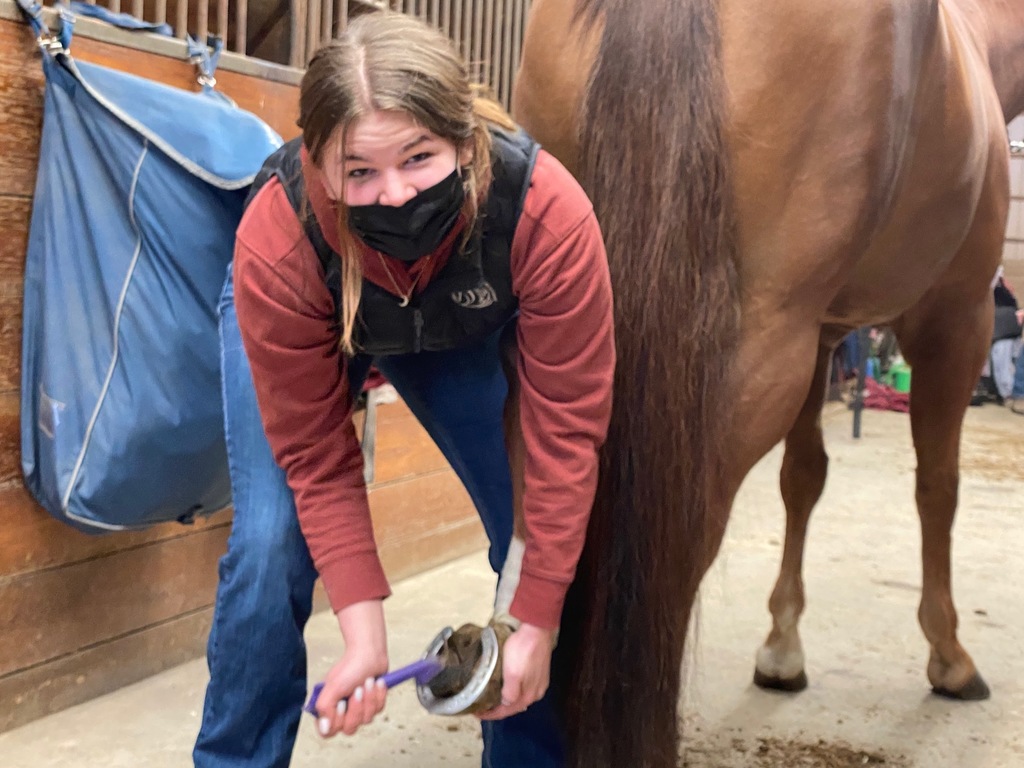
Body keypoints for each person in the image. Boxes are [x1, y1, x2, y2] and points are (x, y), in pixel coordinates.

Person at [192, 10, 614, 768]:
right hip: (321, 301)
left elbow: (565, 437)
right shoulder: (278, 236)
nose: (393, 195)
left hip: (454, 312)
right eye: (358, 170)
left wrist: (537, 618)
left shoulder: (545, 212)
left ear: (466, 139)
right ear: (317, 165)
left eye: (420, 158)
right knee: (267, 545)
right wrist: (364, 635)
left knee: (534, 536)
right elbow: (316, 458)